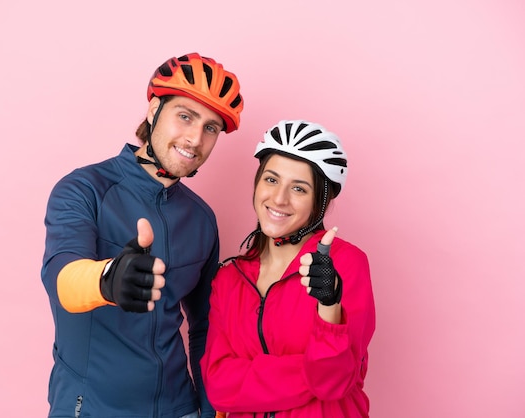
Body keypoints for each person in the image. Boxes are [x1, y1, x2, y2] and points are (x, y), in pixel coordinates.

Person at [41, 52, 244, 418]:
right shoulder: (83, 189)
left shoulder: (201, 219)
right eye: (185, 116)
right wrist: (109, 279)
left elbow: (204, 327)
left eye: (211, 128)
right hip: (91, 408)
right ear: (154, 110)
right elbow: (62, 279)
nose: (195, 138)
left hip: (180, 408)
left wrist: (212, 410)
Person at [200, 120, 376, 417]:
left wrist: (329, 304)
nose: (279, 199)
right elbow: (219, 385)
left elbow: (335, 380)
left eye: (299, 188)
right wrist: (309, 370)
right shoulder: (229, 278)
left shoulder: (345, 263)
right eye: (271, 180)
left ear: (320, 201)